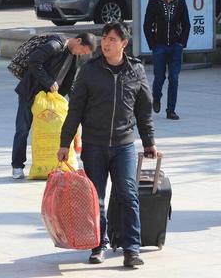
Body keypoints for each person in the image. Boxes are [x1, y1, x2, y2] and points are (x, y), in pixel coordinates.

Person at [58, 22, 157, 268]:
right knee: (95, 198)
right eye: (104, 38)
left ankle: (131, 249)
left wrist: (149, 142)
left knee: (128, 194)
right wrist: (64, 142)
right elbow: (75, 109)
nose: (106, 43)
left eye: (112, 39)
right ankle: (97, 245)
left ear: (124, 43)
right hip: (94, 145)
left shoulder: (136, 71)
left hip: (124, 145)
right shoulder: (89, 70)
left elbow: (144, 111)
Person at [11, 32, 96, 179]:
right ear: (78, 41)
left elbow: (70, 83)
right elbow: (34, 61)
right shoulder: (56, 45)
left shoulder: (73, 57)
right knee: (23, 129)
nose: (81, 54)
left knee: (52, 130)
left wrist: (77, 102)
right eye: (82, 51)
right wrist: (49, 82)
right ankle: (17, 166)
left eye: (85, 54)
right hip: (30, 93)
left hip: (49, 99)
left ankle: (49, 164)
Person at [143, 0, 191, 120]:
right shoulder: (153, 3)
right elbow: (147, 25)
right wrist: (153, 44)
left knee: (174, 78)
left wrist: (182, 43)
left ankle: (171, 110)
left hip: (175, 46)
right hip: (159, 47)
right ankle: (156, 97)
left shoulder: (181, 2)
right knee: (159, 78)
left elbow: (186, 25)